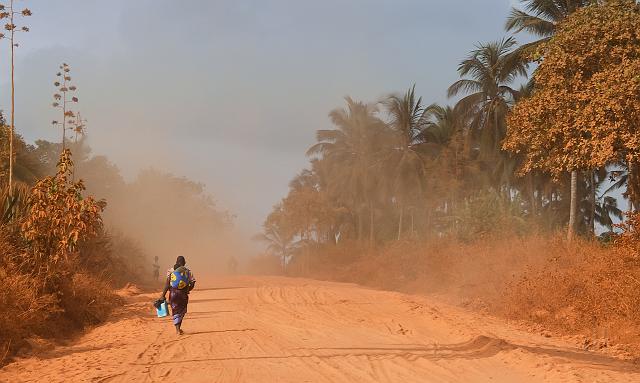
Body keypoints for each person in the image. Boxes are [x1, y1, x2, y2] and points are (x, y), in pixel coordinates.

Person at [159, 255, 196, 335]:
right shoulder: (188, 271)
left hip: (173, 293)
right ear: (184, 262)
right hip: (183, 294)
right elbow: (192, 283)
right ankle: (179, 328)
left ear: (176, 262)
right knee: (182, 310)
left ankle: (177, 329)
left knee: (175, 310)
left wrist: (163, 295)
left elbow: (167, 284)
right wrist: (187, 290)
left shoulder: (171, 271)